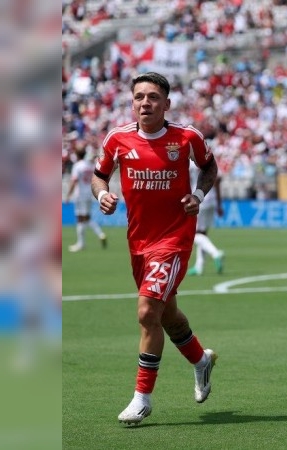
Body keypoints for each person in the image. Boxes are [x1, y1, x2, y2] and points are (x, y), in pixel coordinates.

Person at [92, 72, 218, 425]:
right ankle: (201, 360)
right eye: (139, 97)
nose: (145, 103)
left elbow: (209, 167)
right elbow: (99, 175)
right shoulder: (117, 139)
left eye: (152, 97)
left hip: (174, 238)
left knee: (148, 311)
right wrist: (102, 194)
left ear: (166, 103)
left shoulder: (186, 137)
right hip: (138, 241)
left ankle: (142, 398)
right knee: (166, 315)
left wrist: (198, 194)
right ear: (132, 102)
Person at [66, 144, 107, 252]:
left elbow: (74, 181)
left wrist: (68, 195)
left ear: (76, 154)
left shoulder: (77, 166)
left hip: (80, 195)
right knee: (87, 218)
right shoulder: (90, 165)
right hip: (89, 193)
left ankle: (81, 243)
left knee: (80, 218)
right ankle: (100, 234)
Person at [186, 159, 225, 275]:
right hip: (211, 199)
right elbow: (217, 181)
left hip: (198, 199)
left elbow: (186, 180)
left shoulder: (190, 162)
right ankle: (199, 266)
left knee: (194, 234)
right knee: (203, 233)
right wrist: (219, 204)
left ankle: (215, 253)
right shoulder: (211, 160)